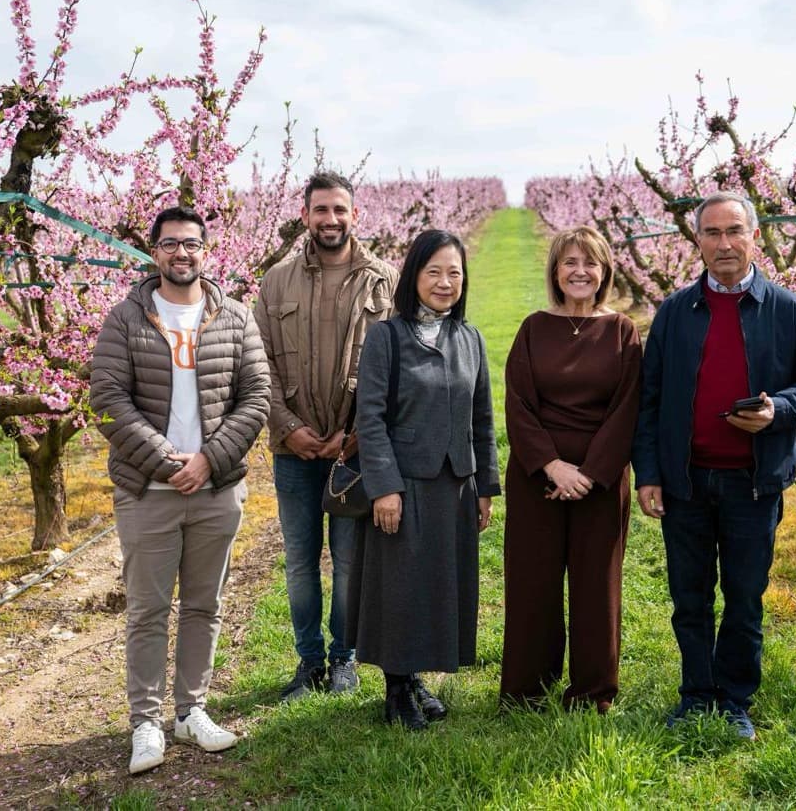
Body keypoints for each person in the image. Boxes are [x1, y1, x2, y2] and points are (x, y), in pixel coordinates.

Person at [631, 191, 796, 739]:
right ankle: (696, 693)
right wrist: (648, 472)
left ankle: (735, 698)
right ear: (697, 240)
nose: (724, 243)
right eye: (712, 233)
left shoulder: (787, 310)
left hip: (754, 482)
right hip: (686, 482)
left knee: (744, 597)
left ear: (754, 235)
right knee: (688, 596)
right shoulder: (675, 312)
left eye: (734, 231)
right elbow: (648, 400)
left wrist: (779, 412)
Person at [90, 205, 271, 774]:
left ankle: (191, 711)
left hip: (217, 486)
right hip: (150, 488)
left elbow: (257, 397)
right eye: (170, 244)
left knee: (204, 604)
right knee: (147, 608)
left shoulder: (237, 319)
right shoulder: (125, 319)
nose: (181, 253)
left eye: (191, 243)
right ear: (154, 252)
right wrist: (169, 463)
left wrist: (209, 460)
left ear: (206, 250)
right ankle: (145, 721)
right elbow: (108, 399)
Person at [253, 171, 399, 701]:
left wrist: (358, 434)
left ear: (353, 214)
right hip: (294, 451)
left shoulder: (383, 282)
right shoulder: (277, 282)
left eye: (339, 209)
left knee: (349, 560)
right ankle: (308, 660)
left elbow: (395, 366)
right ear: (305, 215)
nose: (330, 220)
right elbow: (257, 364)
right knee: (298, 559)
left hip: (352, 450)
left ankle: (345, 658)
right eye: (320, 210)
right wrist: (288, 428)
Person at [347, 229, 500, 730]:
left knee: (436, 585)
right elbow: (369, 418)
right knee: (400, 588)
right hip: (404, 485)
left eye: (454, 272)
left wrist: (485, 487)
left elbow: (482, 419)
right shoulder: (387, 337)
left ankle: (415, 679)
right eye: (433, 271)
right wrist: (384, 486)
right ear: (413, 276)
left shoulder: (469, 338)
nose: (444, 282)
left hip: (455, 485)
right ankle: (396, 689)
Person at [498, 226, 642, 714]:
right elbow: (517, 404)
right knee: (531, 583)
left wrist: (590, 473)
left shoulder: (622, 330)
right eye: (570, 263)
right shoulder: (533, 328)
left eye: (590, 263)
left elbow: (628, 407)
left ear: (604, 272)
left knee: (596, 587)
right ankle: (526, 691)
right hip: (536, 477)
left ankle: (592, 693)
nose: (580, 272)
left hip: (599, 481)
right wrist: (552, 466)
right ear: (555, 272)